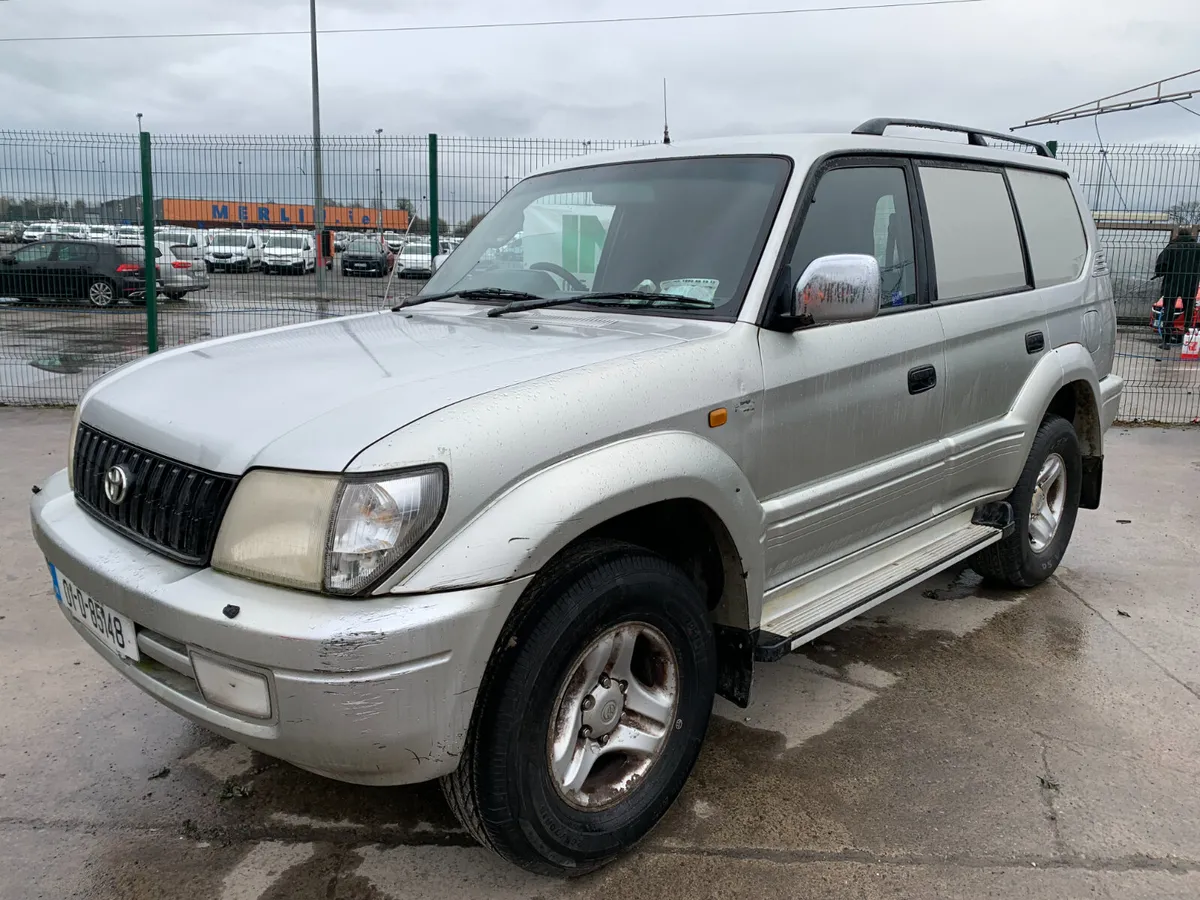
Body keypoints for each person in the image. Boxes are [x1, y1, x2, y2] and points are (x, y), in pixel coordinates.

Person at [1153, 227, 1200, 345]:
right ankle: (1187, 336)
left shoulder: (1171, 248)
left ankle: (1166, 340)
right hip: (1190, 284)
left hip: (1172, 283)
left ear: (1178, 235)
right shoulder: (1198, 248)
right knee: (1188, 309)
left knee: (1169, 310)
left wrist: (1160, 273)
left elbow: (1161, 265)